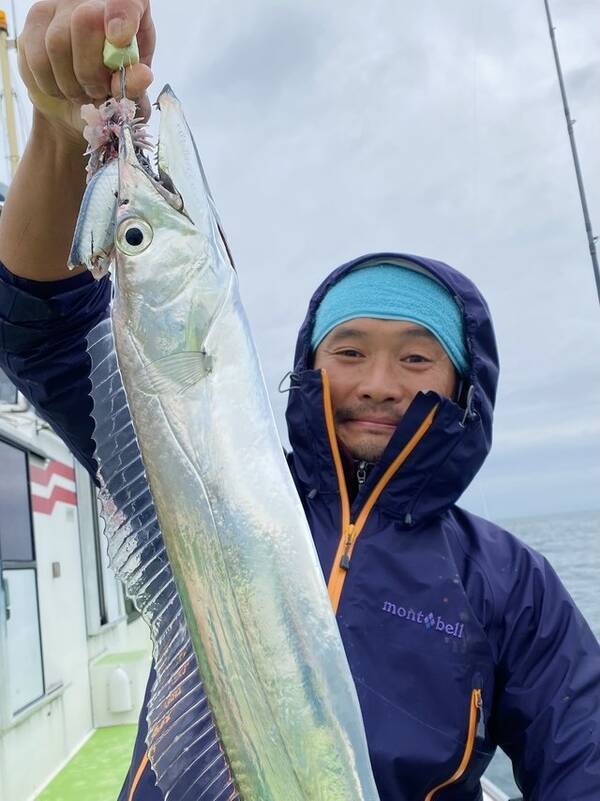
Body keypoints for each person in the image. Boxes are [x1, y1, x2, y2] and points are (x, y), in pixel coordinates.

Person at [1, 3, 599, 800]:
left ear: (463, 386)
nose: (380, 382)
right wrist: (52, 128)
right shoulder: (196, 473)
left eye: (417, 357)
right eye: (348, 351)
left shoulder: (512, 585)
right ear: (307, 366)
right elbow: (42, 329)